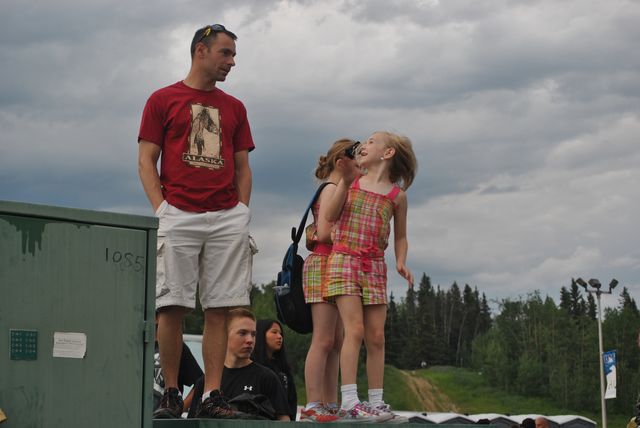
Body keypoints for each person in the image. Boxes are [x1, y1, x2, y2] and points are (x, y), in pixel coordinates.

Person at [138, 23, 255, 419]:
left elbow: (243, 166)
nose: (232, 62)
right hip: (178, 213)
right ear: (200, 51)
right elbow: (146, 160)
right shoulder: (162, 99)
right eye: (225, 53)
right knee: (171, 306)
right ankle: (171, 393)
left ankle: (212, 395)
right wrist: (162, 209)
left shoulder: (235, 107)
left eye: (233, 55)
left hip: (226, 216)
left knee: (219, 307)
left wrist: (241, 211)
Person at [324, 131, 417, 422]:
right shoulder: (352, 181)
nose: (363, 145)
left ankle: (376, 401)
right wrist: (344, 182)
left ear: (388, 153)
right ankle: (350, 400)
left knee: (376, 336)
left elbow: (400, 236)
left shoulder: (397, 196)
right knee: (355, 330)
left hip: (375, 265)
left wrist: (400, 261)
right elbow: (329, 215)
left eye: (371, 142)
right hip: (344, 259)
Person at [299, 138, 359, 423]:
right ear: (341, 162)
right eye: (357, 161)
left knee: (336, 341)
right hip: (324, 263)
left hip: (334, 265)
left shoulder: (336, 188)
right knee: (323, 339)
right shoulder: (332, 188)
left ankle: (330, 402)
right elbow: (324, 232)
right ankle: (313, 403)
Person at [188, 309, 291, 421]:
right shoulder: (207, 382)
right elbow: (193, 422)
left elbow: (284, 421)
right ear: (224, 335)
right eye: (242, 333)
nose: (250, 340)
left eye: (253, 334)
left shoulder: (267, 378)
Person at [252, 319, 298, 421]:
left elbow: (291, 400)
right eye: (274, 332)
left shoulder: (283, 368)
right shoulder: (252, 367)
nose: (279, 336)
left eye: (280, 333)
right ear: (260, 335)